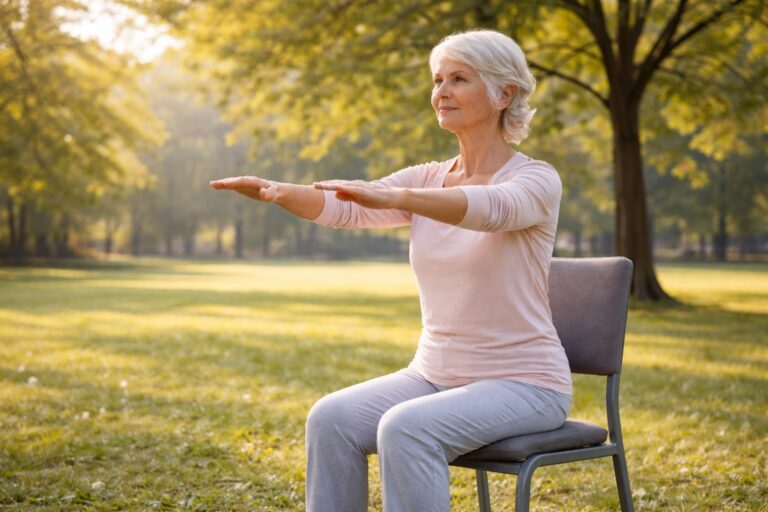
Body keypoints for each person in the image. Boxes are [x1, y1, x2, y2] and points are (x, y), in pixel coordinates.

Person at [211, 29, 572, 512]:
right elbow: (348, 206)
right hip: (434, 374)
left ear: (503, 94)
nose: (441, 92)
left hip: (526, 385)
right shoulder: (428, 178)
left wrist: (398, 197)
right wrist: (277, 191)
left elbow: (492, 210)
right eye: (438, 80)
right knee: (331, 418)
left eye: (459, 79)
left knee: (407, 427)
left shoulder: (536, 179)